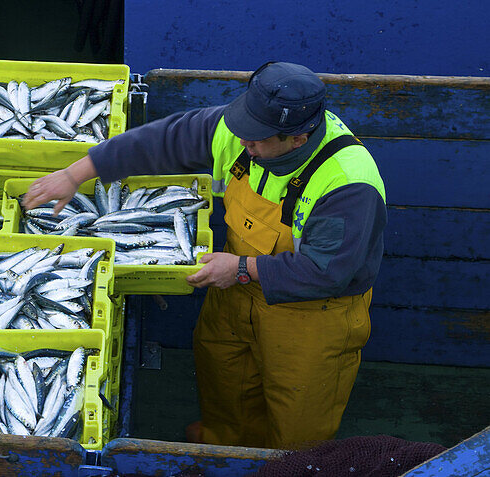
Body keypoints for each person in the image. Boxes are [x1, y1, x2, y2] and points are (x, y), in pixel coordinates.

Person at [21, 62, 386, 449]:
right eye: (244, 128)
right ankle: (224, 446)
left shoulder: (347, 183)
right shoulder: (241, 131)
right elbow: (164, 141)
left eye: (258, 139)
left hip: (313, 315)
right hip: (234, 291)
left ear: (297, 138)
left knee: (298, 418)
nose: (244, 141)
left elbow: (327, 273)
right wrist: (79, 172)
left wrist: (243, 268)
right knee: (223, 380)